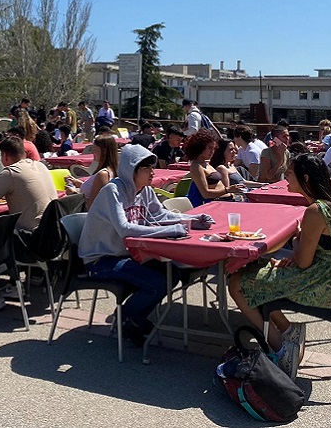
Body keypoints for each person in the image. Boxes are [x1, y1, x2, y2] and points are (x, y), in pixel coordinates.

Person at [228, 154, 331, 379]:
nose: (285, 176)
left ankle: (282, 349)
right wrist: (298, 249)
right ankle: (288, 331)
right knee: (255, 273)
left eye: (289, 173)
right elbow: (318, 251)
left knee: (237, 283)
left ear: (305, 178)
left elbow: (303, 262)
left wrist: (296, 240)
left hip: (320, 284)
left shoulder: (315, 211)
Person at [79, 144, 201, 345]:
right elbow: (125, 229)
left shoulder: (144, 190)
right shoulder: (113, 191)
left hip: (126, 254)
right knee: (156, 282)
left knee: (173, 273)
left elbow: (160, 214)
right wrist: (169, 231)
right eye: (147, 168)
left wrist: (192, 220)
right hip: (100, 260)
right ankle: (127, 317)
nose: (152, 173)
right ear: (132, 169)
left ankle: (134, 319)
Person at [0, 136, 57, 232]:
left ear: (5, 155)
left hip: (28, 235)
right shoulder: (40, 165)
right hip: (51, 230)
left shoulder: (10, 172)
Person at [184, 130, 240, 207]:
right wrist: (228, 190)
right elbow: (206, 193)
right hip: (217, 203)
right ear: (200, 148)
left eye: (213, 148)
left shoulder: (206, 163)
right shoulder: (196, 167)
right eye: (209, 148)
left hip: (228, 199)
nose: (212, 151)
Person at [66, 135, 119, 208]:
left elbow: (92, 205)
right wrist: (81, 184)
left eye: (95, 149)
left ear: (104, 151)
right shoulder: (113, 170)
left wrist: (73, 193)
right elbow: (96, 190)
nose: (93, 152)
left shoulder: (103, 174)